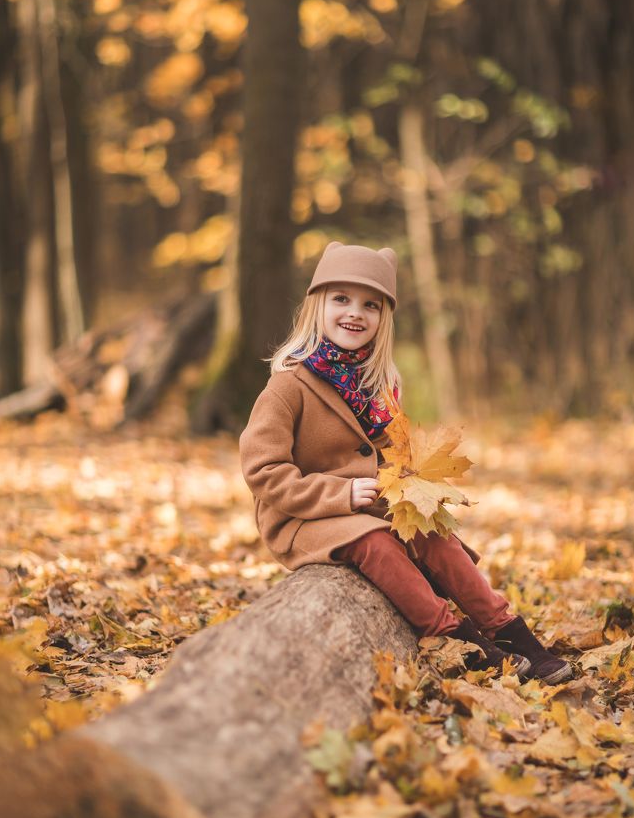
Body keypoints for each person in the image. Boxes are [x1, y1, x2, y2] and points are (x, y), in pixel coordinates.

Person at [239, 242, 572, 684]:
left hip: (372, 501)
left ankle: (506, 630)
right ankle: (453, 636)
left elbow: (390, 453)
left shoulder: (379, 384)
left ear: (383, 318)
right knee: (375, 540)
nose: (354, 313)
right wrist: (338, 493)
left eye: (370, 305)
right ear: (316, 306)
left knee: (430, 529)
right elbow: (262, 471)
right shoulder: (289, 386)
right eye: (341, 299)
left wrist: (410, 485)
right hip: (304, 515)